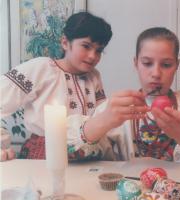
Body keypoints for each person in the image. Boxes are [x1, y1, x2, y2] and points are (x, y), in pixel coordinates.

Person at [67, 27, 180, 162]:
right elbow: (70, 151)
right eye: (147, 63)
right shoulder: (118, 106)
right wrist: (103, 121)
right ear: (136, 63)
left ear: (177, 65)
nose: (156, 73)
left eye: (166, 65)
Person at [0, 12, 113, 160]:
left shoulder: (94, 76)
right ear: (65, 42)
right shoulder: (42, 68)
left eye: (99, 50)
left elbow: (100, 116)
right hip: (45, 152)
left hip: (89, 153)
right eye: (86, 46)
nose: (93, 56)